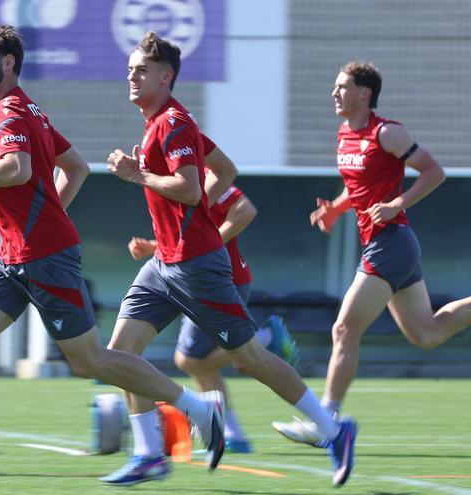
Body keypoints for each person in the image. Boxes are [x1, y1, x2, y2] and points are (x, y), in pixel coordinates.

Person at [0, 25, 229, 495]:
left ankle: (199, 409)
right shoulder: (25, 108)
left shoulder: (10, 112)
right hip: (10, 257)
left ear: (8, 63)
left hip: (45, 257)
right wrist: (47, 211)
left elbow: (18, 169)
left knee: (90, 360)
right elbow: (73, 167)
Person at [102, 32, 356, 488]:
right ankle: (148, 454)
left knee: (252, 360)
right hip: (164, 265)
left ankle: (335, 431)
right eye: (130, 69)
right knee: (119, 354)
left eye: (141, 69)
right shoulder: (162, 122)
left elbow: (191, 186)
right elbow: (227, 170)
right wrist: (183, 217)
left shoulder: (173, 123)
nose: (132, 76)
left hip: (198, 265)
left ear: (166, 76)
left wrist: (137, 174)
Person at [273, 61, 471, 445]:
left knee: (344, 328)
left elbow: (433, 172)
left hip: (391, 243)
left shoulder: (389, 132)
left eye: (342, 86)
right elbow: (359, 188)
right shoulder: (344, 133)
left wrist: (398, 203)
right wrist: (336, 208)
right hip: (386, 244)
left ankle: (326, 422)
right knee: (427, 335)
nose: (334, 93)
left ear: (365, 93)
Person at [126, 133, 300, 457]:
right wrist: (153, 247)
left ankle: (265, 340)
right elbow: (183, 236)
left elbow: (245, 210)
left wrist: (209, 245)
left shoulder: (201, 177)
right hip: (198, 276)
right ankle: (233, 434)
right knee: (198, 364)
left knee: (192, 359)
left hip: (221, 278)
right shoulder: (171, 182)